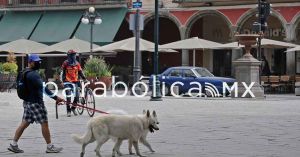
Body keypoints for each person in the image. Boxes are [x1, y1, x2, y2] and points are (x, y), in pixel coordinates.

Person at [8, 54, 64, 153]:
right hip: (36, 103)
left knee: (24, 123)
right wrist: (56, 98)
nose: (38, 63)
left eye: (39, 61)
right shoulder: (33, 75)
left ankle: (13, 144)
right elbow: (44, 88)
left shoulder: (23, 72)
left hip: (27, 102)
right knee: (44, 123)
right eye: (36, 61)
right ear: (30, 62)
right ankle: (50, 147)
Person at [61, 49, 87, 117]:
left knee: (77, 96)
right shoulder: (65, 63)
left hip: (75, 82)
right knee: (68, 96)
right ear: (69, 55)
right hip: (67, 82)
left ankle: (73, 108)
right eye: (72, 55)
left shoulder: (77, 64)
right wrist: (62, 81)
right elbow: (62, 73)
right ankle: (68, 111)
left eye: (74, 55)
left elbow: (80, 72)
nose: (74, 56)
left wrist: (84, 79)